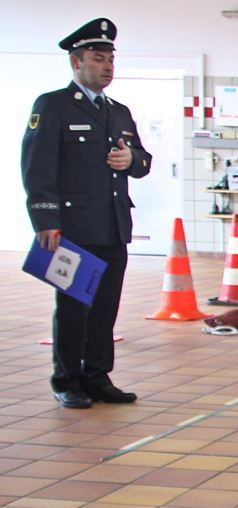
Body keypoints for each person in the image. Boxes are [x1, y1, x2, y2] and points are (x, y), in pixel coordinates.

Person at [22, 18, 151, 409]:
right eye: (99, 58)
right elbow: (37, 167)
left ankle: (97, 375)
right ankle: (67, 379)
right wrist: (46, 220)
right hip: (73, 227)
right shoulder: (53, 106)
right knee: (74, 306)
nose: (108, 66)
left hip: (112, 226)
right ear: (76, 63)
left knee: (106, 308)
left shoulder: (120, 112)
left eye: (111, 58)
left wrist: (132, 159)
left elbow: (143, 162)